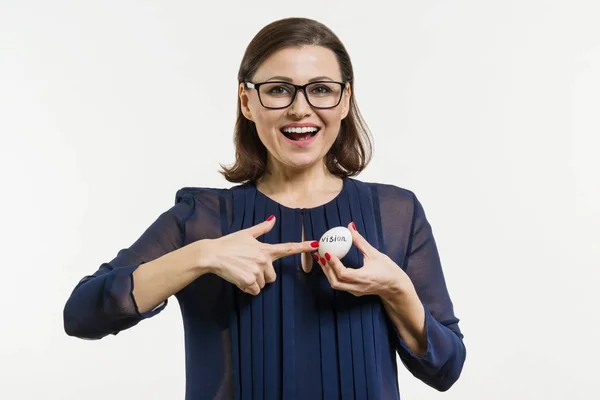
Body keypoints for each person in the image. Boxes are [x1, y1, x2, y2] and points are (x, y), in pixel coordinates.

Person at [63, 17, 466, 400]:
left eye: (321, 89)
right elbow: (82, 315)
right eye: (278, 89)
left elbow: (446, 369)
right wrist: (202, 256)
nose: (300, 109)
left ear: (345, 100)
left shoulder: (396, 213)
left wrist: (397, 290)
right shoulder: (202, 217)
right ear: (247, 101)